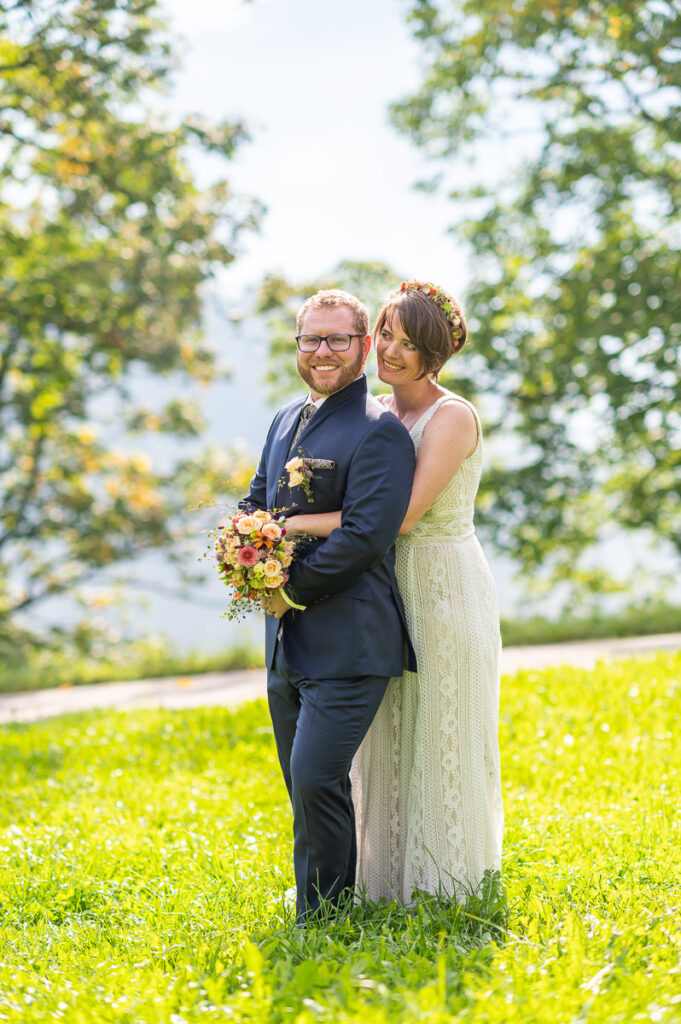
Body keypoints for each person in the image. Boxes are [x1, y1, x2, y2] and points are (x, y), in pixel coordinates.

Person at [284, 280, 503, 904]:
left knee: (442, 727)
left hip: (441, 584)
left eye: (410, 343)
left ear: (438, 354)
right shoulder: (378, 411)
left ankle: (448, 885)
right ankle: (385, 881)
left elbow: (398, 516)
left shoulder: (452, 415)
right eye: (385, 334)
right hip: (384, 587)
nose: (391, 351)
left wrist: (296, 524)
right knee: (386, 735)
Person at [239, 288, 416, 924]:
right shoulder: (284, 419)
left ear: (364, 347)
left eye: (337, 339)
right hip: (284, 640)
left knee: (317, 778)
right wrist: (244, 551)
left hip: (349, 638)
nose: (322, 351)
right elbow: (257, 500)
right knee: (302, 784)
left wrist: (291, 591)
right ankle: (321, 906)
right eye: (311, 338)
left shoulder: (380, 431)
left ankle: (325, 917)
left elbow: (366, 535)